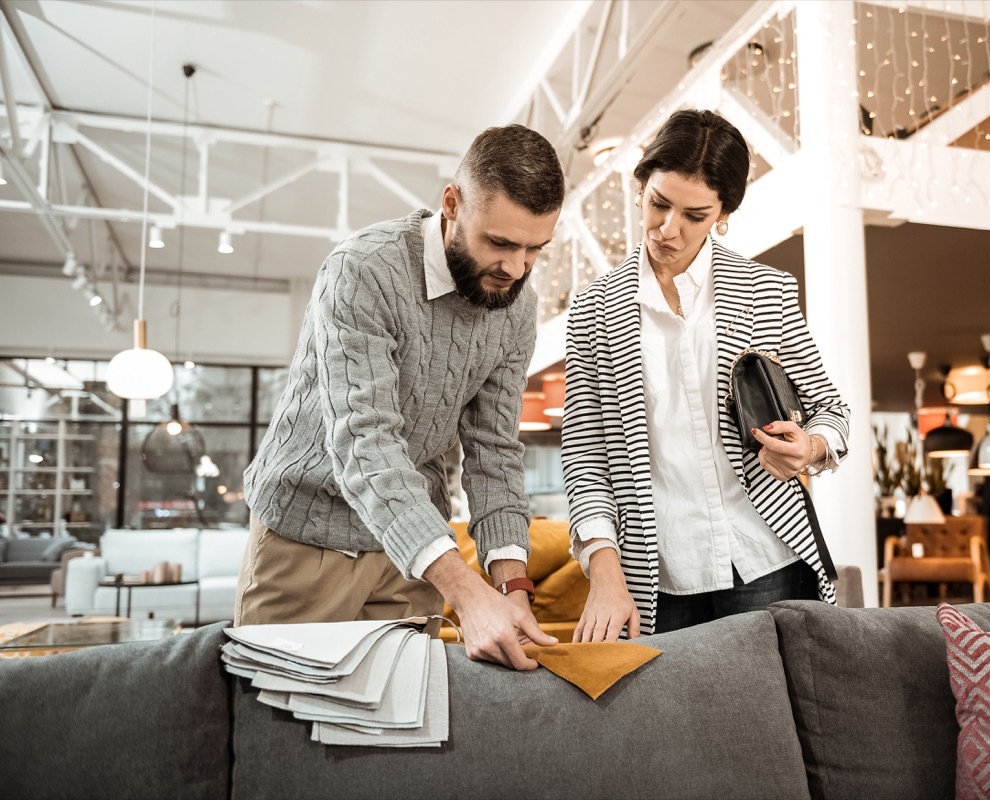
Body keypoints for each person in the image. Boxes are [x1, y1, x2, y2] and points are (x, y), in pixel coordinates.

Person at [237, 124, 564, 671]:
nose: (515, 268)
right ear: (452, 204)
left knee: (403, 712)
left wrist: (512, 586)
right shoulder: (364, 270)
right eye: (500, 243)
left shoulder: (517, 305)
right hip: (307, 536)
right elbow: (365, 443)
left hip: (415, 554)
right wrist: (465, 591)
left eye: (535, 249)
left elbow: (494, 449)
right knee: (277, 708)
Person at [561, 109, 850, 640]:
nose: (668, 229)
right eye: (658, 204)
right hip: (657, 575)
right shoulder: (593, 309)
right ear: (641, 188)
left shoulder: (766, 291)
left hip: (765, 557)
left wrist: (809, 447)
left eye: (695, 215)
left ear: (723, 214)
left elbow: (832, 411)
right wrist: (603, 568)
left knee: (776, 697)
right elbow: (585, 458)